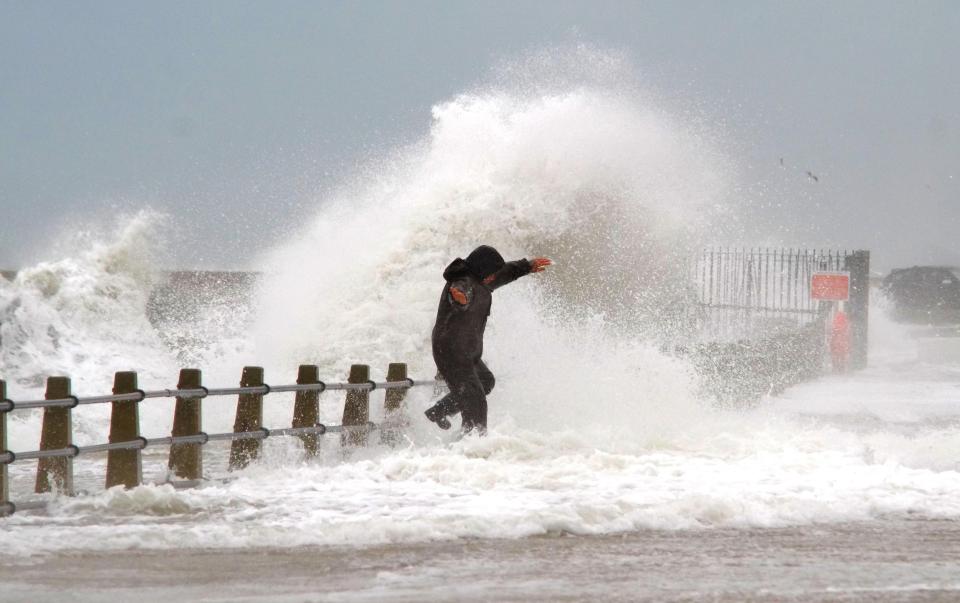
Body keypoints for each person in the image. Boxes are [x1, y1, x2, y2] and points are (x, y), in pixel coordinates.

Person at [424, 245, 551, 434]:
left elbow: (505, 272)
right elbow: (459, 292)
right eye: (491, 273)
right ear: (481, 270)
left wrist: (528, 266)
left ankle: (440, 411)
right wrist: (460, 299)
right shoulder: (463, 281)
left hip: (467, 351)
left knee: (485, 381)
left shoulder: (483, 279)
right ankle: (472, 448)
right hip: (451, 351)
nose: (494, 277)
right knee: (475, 401)